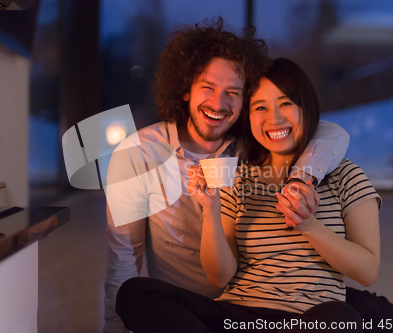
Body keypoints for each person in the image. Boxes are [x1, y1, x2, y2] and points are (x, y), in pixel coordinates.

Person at [115, 58, 393, 332]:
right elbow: (219, 276)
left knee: (341, 317)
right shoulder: (238, 176)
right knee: (134, 293)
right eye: (260, 107)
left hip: (309, 317)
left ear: (305, 107)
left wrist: (310, 226)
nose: (274, 119)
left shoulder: (344, 176)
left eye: (285, 104)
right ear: (248, 117)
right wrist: (210, 209)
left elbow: (367, 271)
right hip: (238, 317)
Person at [104, 20, 351, 333]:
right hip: (184, 309)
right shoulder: (138, 153)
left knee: (354, 309)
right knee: (133, 294)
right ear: (184, 89)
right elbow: (123, 259)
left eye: (233, 92)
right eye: (208, 87)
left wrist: (302, 177)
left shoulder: (252, 147)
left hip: (256, 303)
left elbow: (332, 132)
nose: (218, 104)